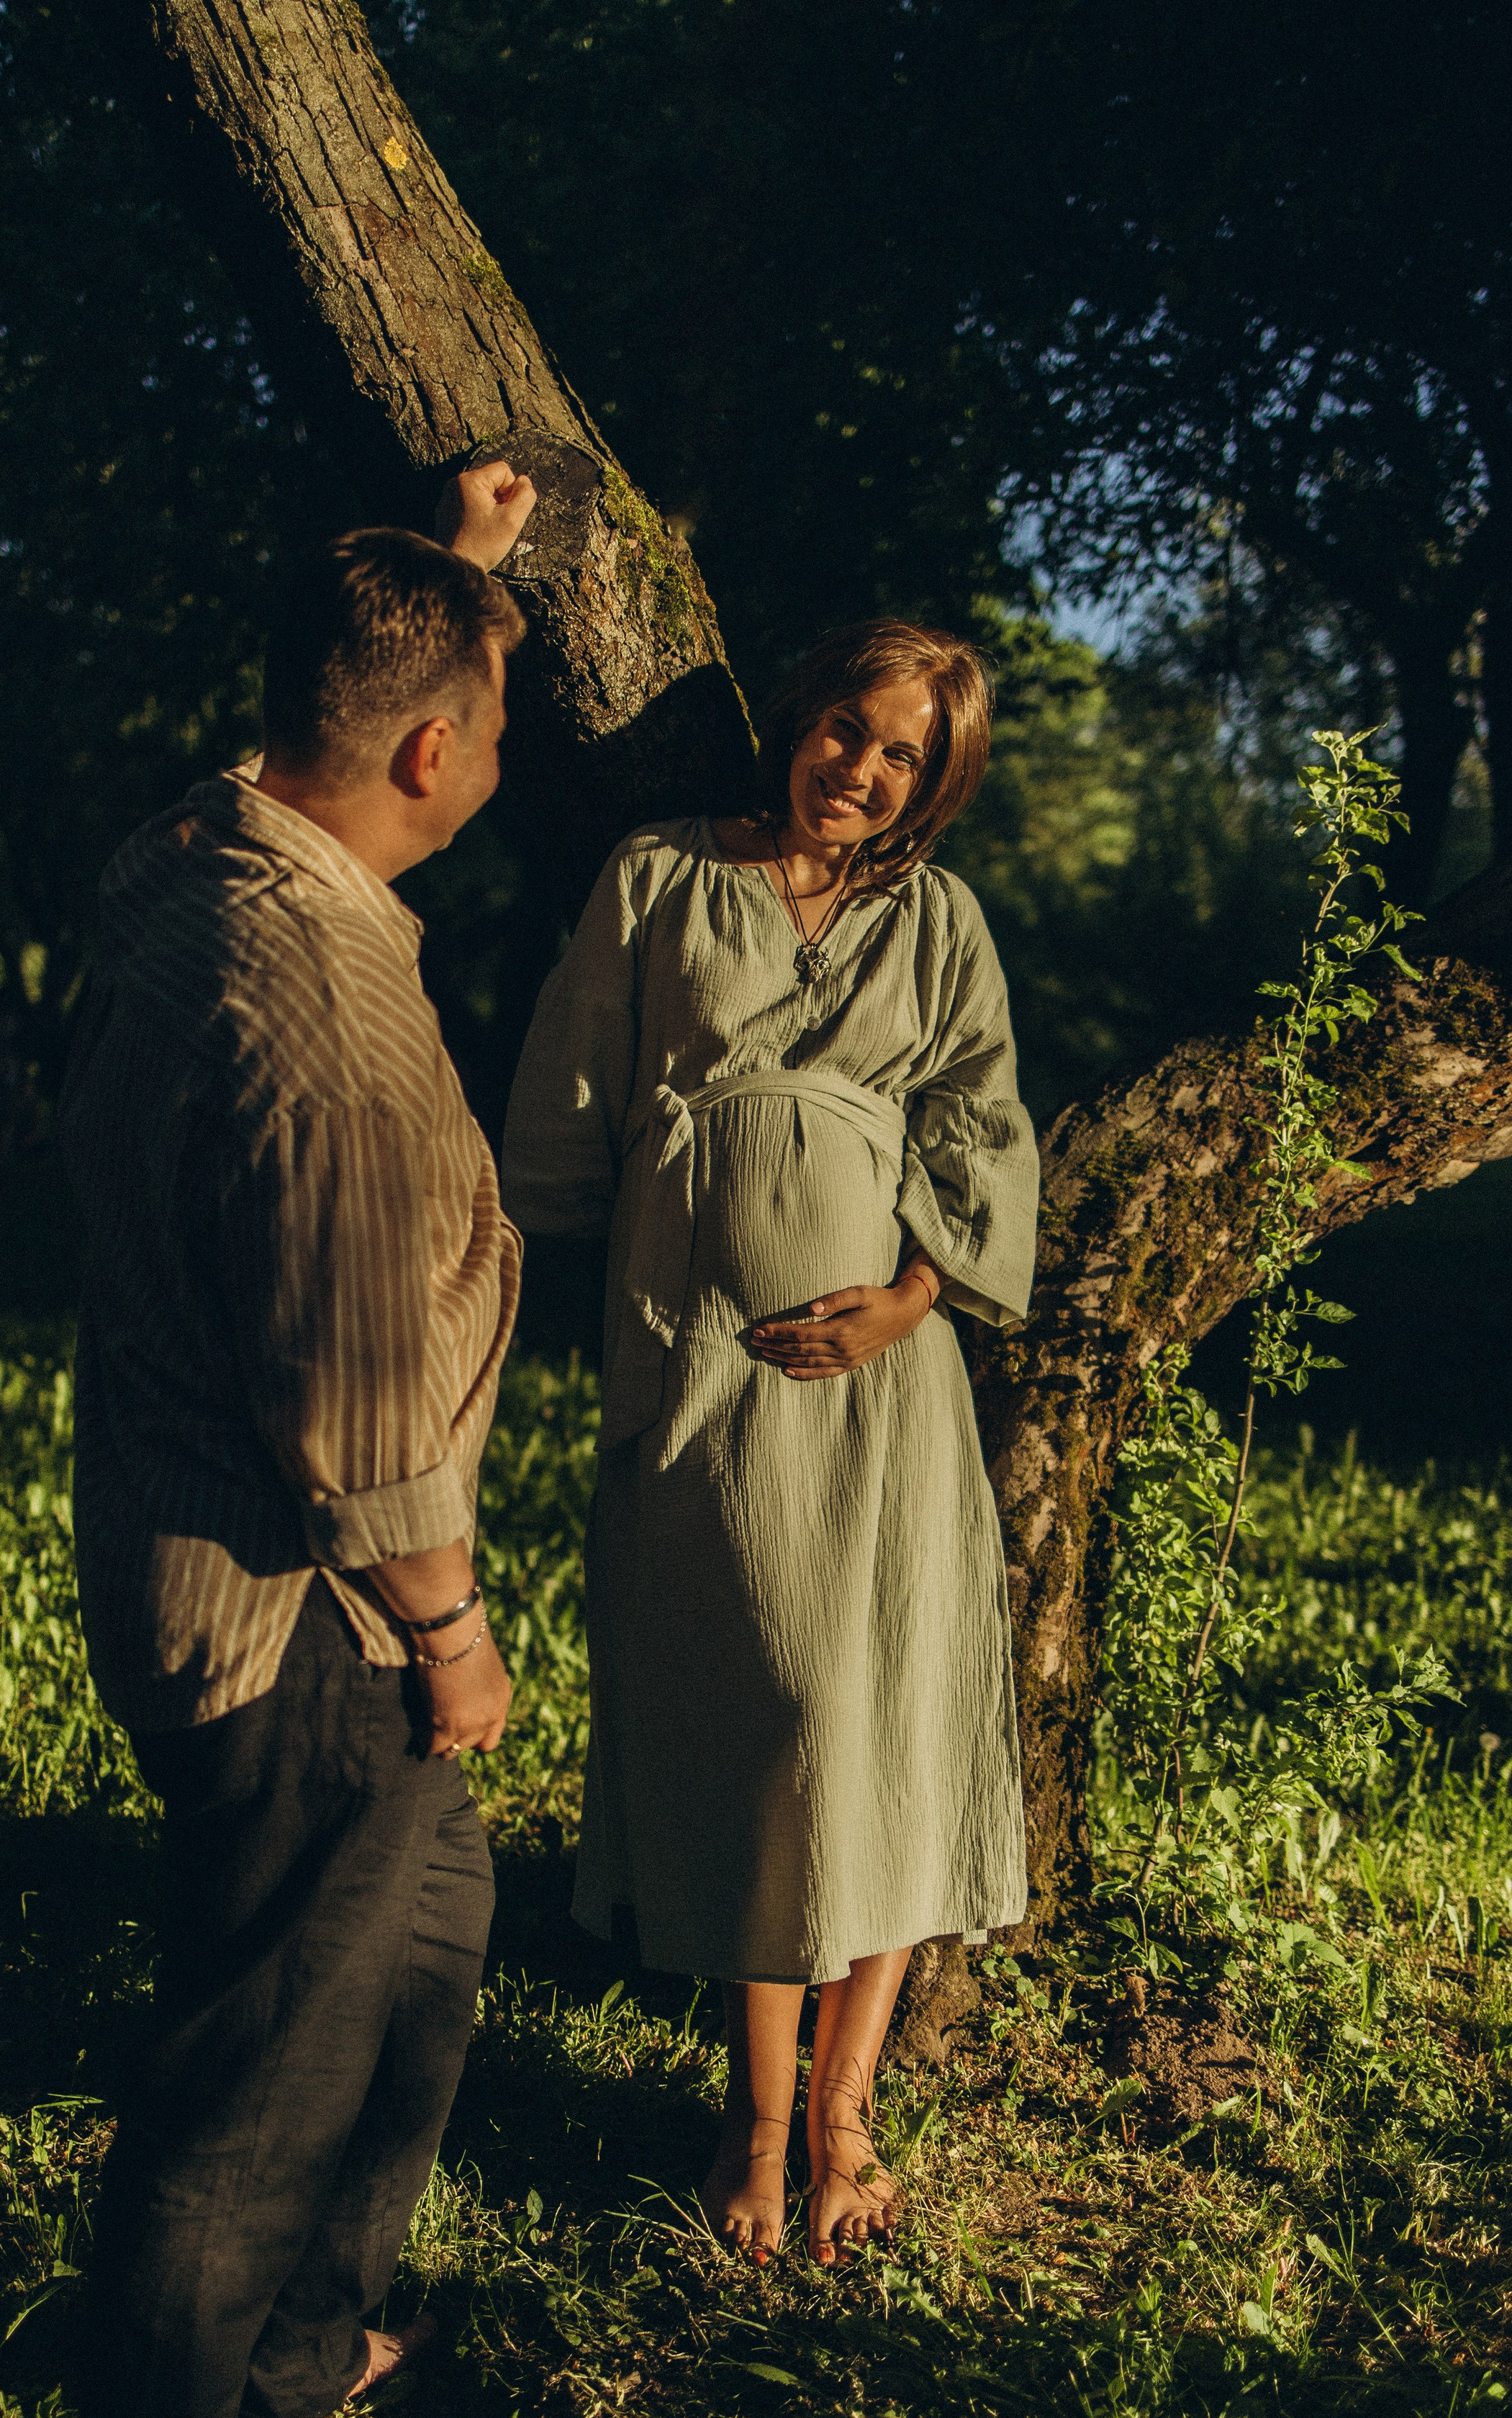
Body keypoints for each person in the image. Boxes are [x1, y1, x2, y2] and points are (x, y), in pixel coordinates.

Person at [58, 461, 535, 2418]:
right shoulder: (328, 1023)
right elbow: (350, 1415)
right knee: (254, 2078)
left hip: (231, 1557)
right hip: (308, 1608)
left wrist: (456, 584)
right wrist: (451, 1635)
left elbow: (263, 749)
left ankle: (306, 2347)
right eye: (491, 717)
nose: (498, 755)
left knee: (423, 1955)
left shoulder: (195, 860)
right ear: (429, 755)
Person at [502, 619, 1039, 2268]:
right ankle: (752, 2115)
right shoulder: (661, 874)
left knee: (883, 1722)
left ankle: (845, 2111)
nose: (860, 771)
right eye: (848, 731)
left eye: (903, 761)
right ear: (797, 715)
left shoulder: (933, 918)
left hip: (887, 1393)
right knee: (771, 1730)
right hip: (704, 1373)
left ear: (927, 793)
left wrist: (911, 1297)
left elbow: (980, 1120)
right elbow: (571, 1094)